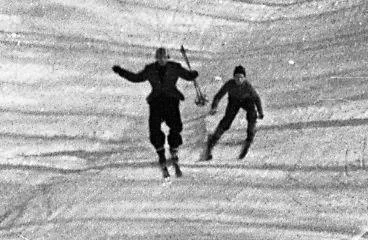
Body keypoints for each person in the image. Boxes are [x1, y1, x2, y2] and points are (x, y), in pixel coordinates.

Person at [113, 47, 200, 176]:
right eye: (159, 58)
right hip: (156, 101)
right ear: (156, 58)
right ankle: (160, 152)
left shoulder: (175, 67)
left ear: (168, 57)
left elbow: (187, 76)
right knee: (154, 128)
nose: (161, 60)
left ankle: (174, 149)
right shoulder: (150, 69)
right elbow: (136, 78)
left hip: (171, 99)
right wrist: (121, 72)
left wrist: (192, 75)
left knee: (176, 126)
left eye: (164, 57)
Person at [205, 65, 264, 160]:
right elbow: (218, 96)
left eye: (241, 77)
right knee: (227, 120)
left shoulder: (247, 85)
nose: (239, 80)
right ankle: (215, 137)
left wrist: (260, 111)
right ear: (233, 77)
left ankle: (250, 134)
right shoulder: (230, 84)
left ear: (244, 78)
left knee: (252, 115)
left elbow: (256, 98)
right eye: (237, 77)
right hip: (234, 101)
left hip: (247, 100)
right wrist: (214, 107)